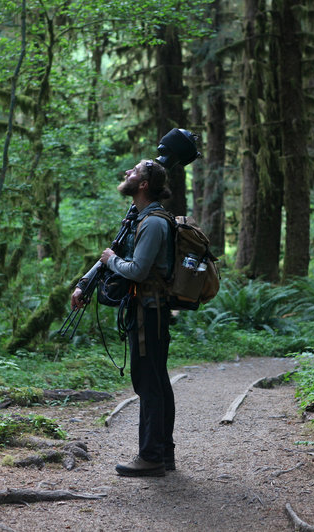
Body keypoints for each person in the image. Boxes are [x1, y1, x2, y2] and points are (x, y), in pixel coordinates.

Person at [70, 159, 175, 477]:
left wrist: (112, 260)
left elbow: (138, 270)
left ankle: (151, 456)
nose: (125, 173)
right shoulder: (140, 218)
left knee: (149, 384)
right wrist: (84, 284)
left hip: (149, 313)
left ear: (143, 184)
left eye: (133, 171)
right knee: (156, 382)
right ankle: (163, 453)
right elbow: (118, 251)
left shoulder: (154, 222)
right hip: (145, 310)